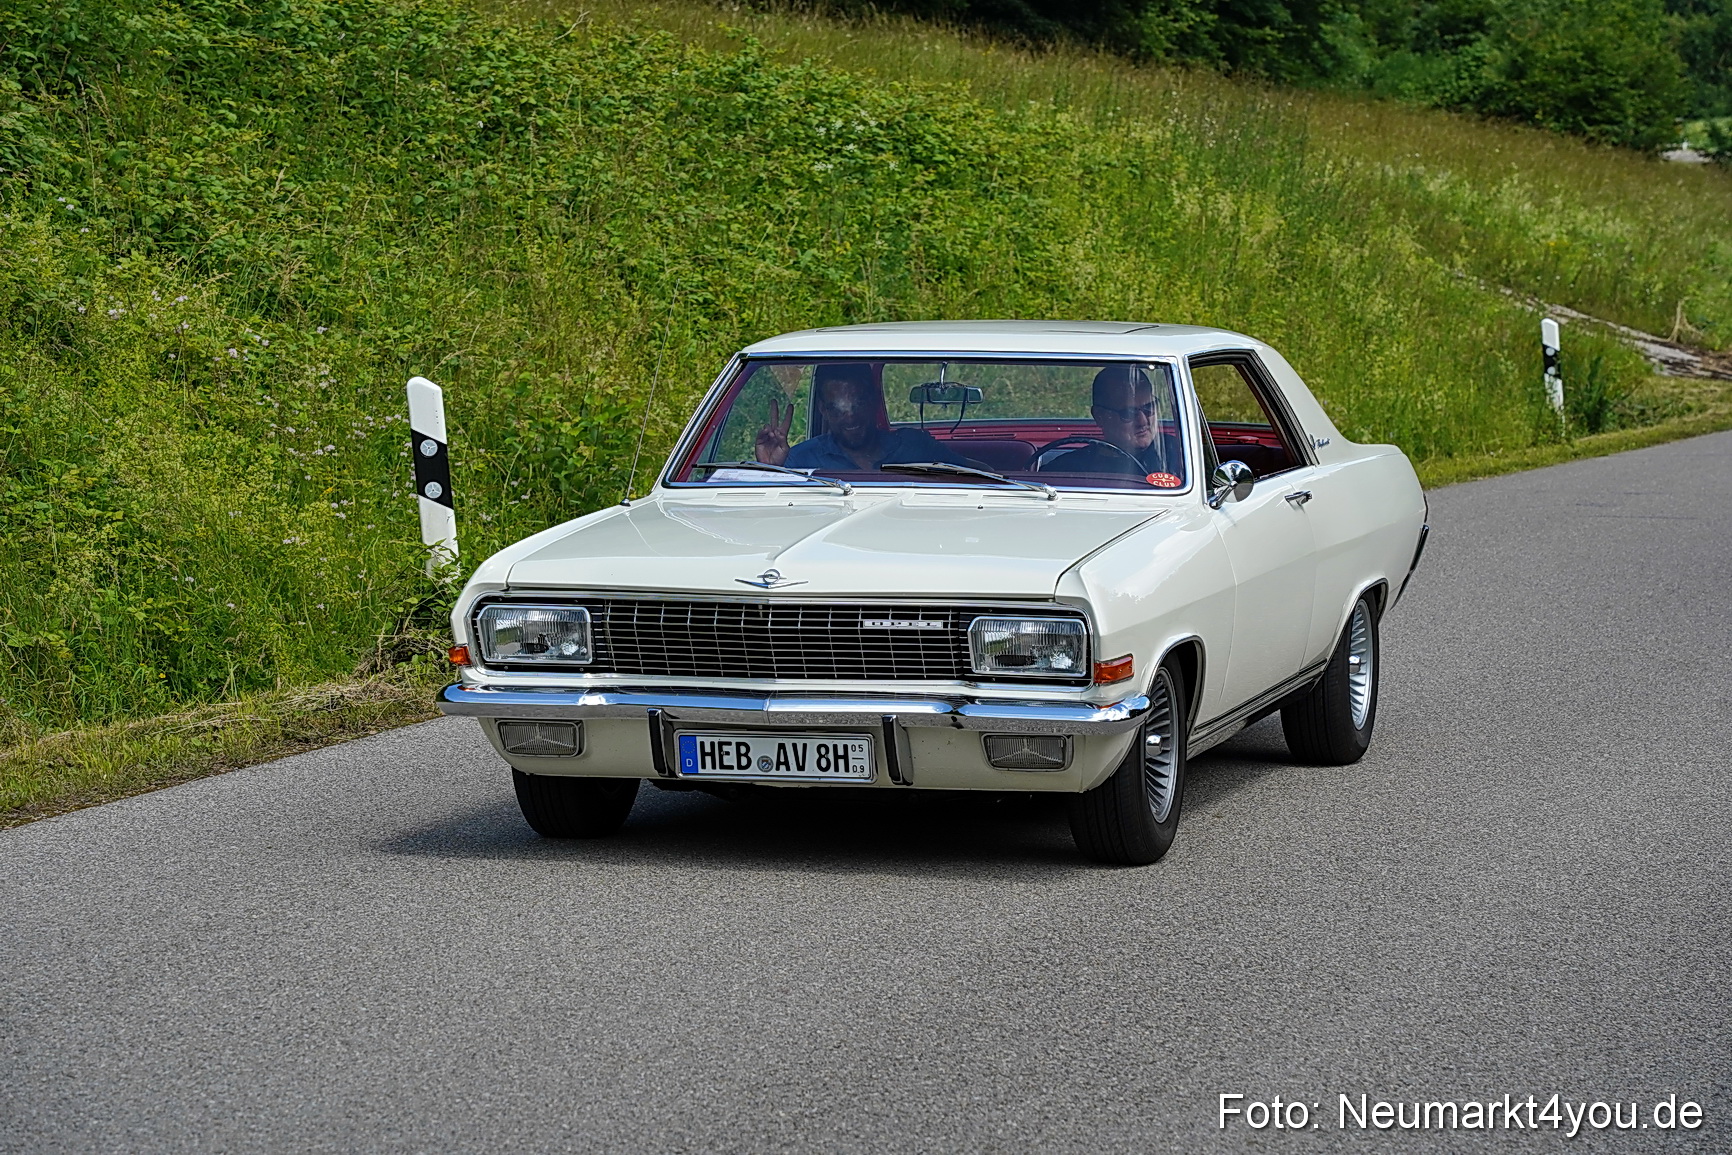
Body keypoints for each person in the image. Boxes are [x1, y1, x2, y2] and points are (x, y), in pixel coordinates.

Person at [755, 363, 970, 472]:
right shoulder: (798, 460)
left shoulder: (915, 446)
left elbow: (984, 477)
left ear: (874, 401)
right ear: (823, 409)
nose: (850, 417)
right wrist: (769, 470)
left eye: (858, 404)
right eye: (837, 409)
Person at [1045, 364, 1182, 483]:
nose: (1143, 421)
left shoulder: (1182, 456)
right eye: (1128, 413)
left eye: (1149, 408)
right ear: (1100, 416)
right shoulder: (1066, 470)